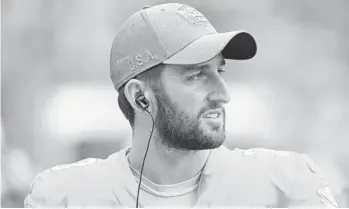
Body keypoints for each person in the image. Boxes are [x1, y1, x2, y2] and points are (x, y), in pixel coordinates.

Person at [24, 3, 339, 208]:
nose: (223, 93)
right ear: (140, 97)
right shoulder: (62, 197)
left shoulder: (287, 186)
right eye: (197, 76)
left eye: (220, 71)